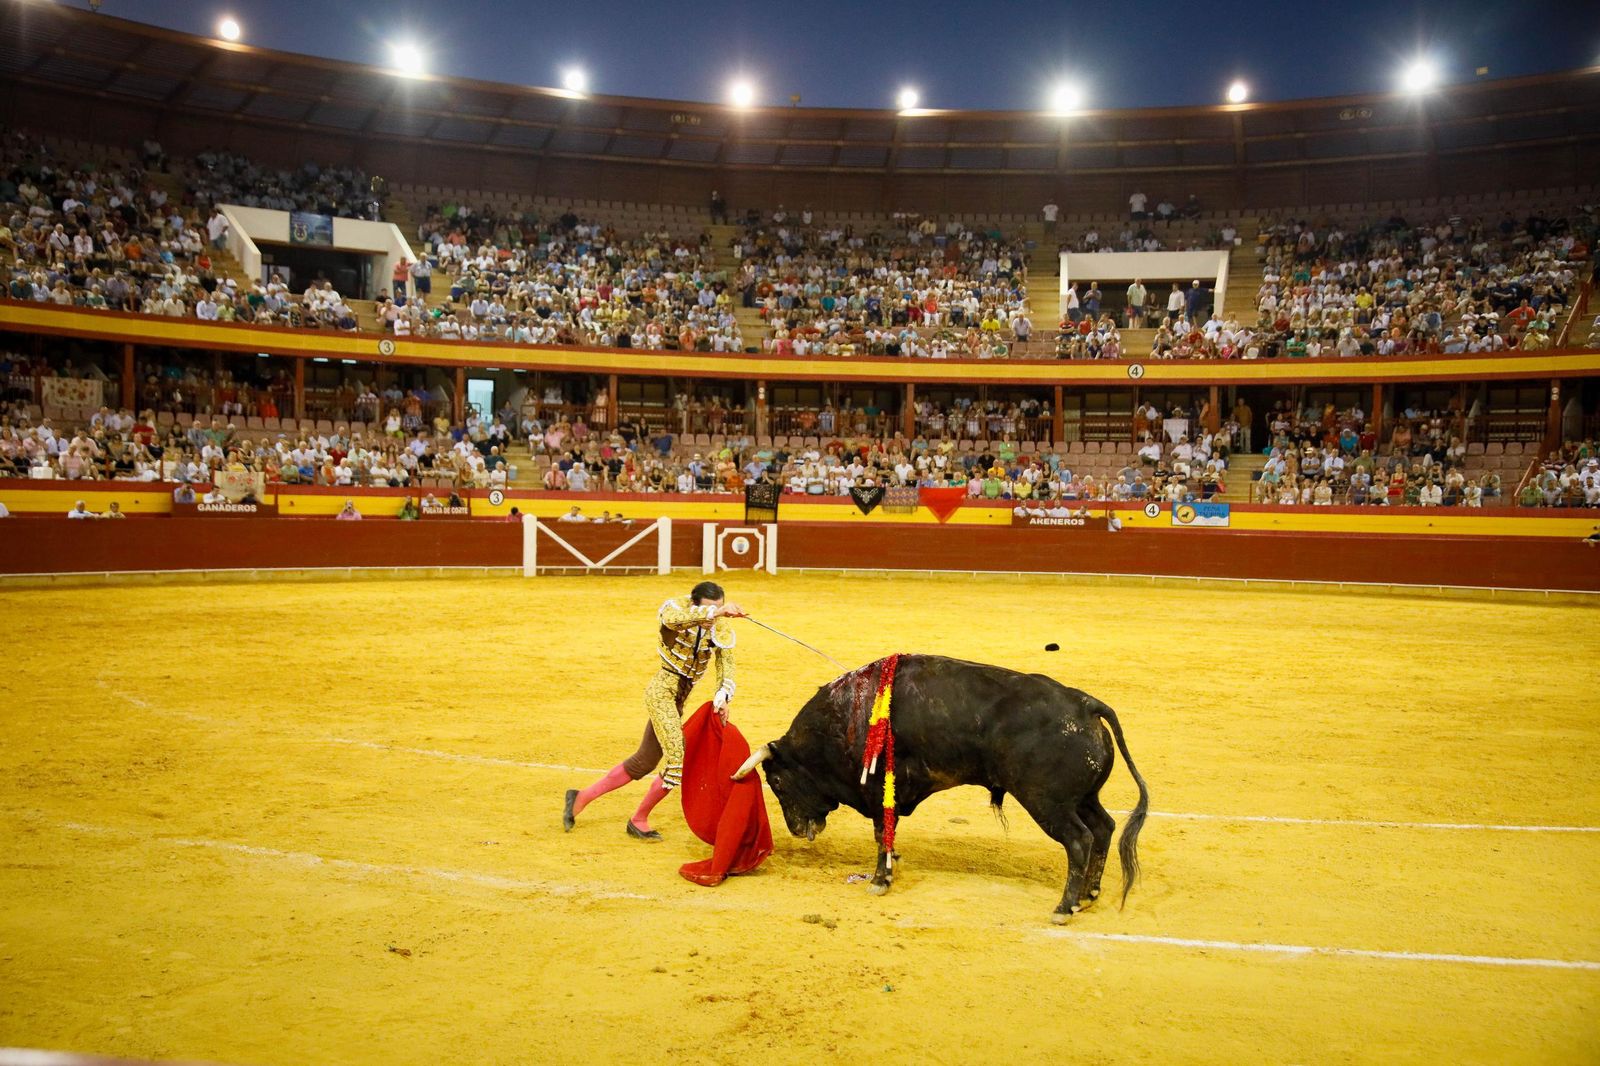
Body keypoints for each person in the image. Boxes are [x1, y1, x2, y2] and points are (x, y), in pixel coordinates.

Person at [564, 582, 745, 841]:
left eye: (718, 608)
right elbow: (673, 620)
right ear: (695, 605)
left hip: (678, 700)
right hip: (661, 693)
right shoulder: (676, 609)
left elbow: (726, 665)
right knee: (676, 761)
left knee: (644, 761)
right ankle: (638, 819)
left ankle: (579, 797)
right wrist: (714, 613)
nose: (714, 615)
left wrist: (723, 696)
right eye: (708, 609)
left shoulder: (720, 626)